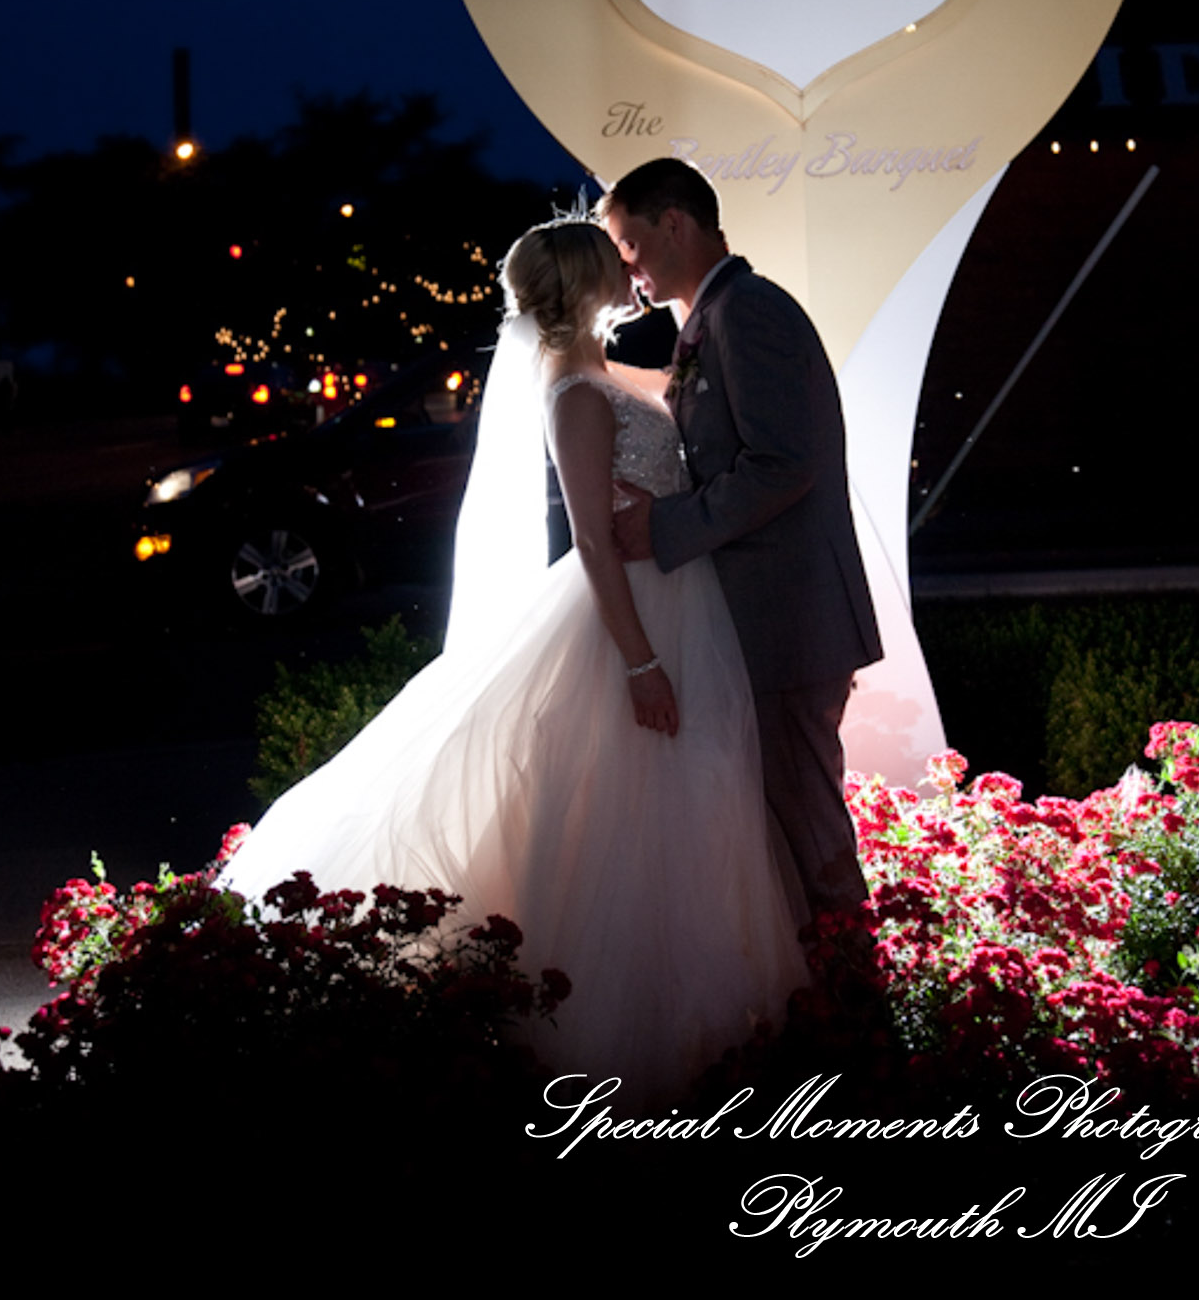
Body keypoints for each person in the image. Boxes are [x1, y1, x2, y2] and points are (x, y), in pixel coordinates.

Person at [219, 220, 803, 1100]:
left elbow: (689, 401)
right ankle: (633, 1028)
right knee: (634, 810)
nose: (629, 265)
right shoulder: (572, 393)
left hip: (685, 600)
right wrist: (640, 664)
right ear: (583, 283)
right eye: (615, 259)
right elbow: (595, 542)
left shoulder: (606, 373)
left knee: (694, 795)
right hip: (632, 615)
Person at [601, 159, 882, 921]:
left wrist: (661, 526)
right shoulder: (716, 316)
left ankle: (857, 1009)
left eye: (629, 245)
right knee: (782, 824)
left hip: (788, 616)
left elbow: (781, 464)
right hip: (766, 617)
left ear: (674, 223)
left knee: (808, 828)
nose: (628, 271)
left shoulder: (747, 310)